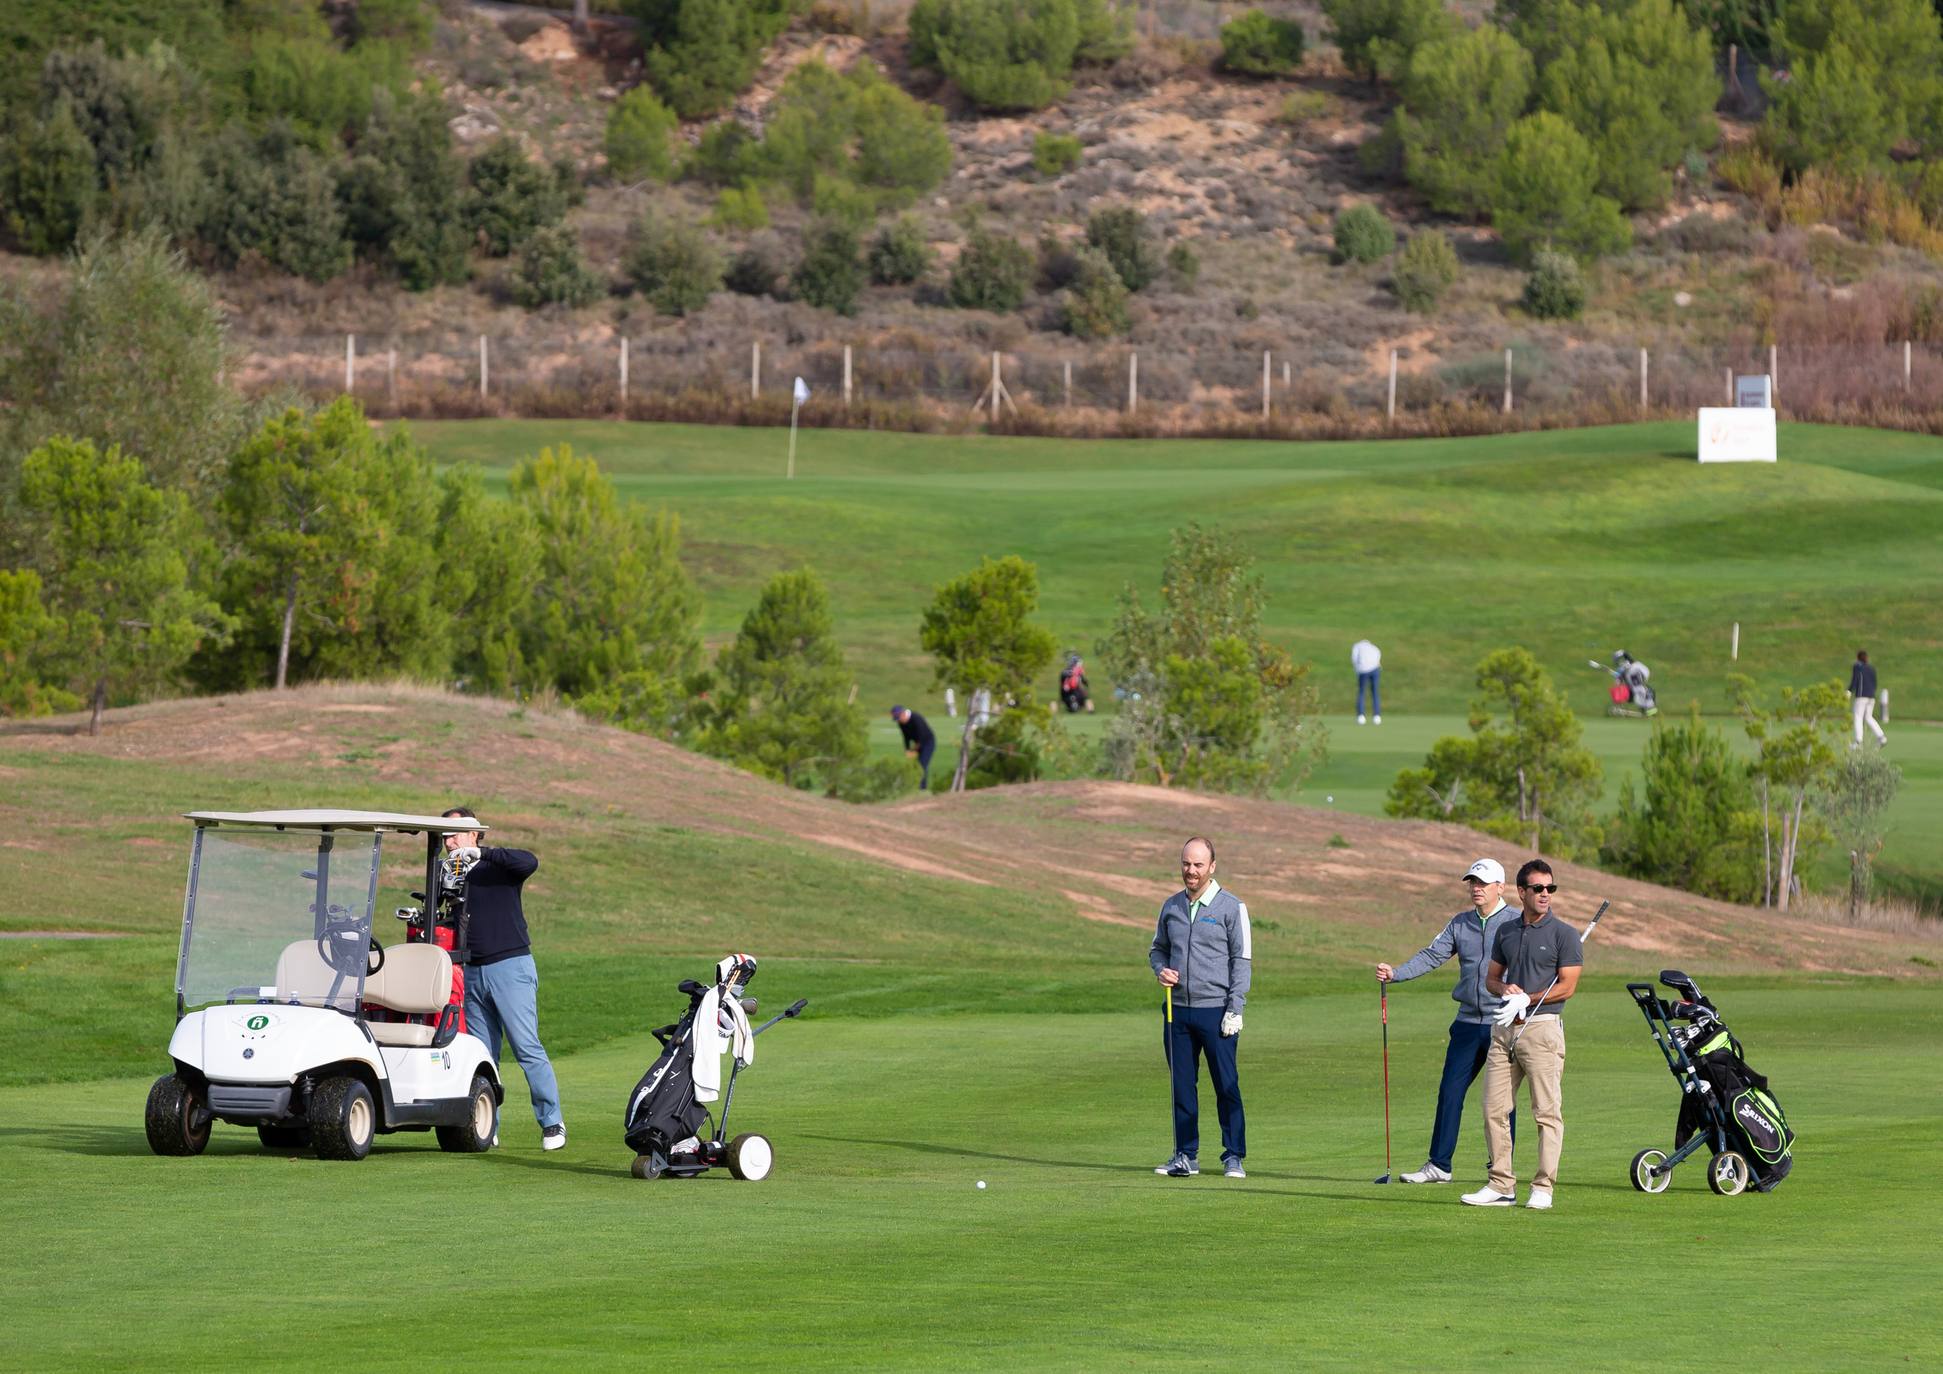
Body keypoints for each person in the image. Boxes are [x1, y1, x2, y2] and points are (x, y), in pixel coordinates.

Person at [1376, 858, 1514, 1184]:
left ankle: (1501, 1169)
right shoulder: (1460, 923)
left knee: (1501, 1101)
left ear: (1500, 887)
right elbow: (1431, 955)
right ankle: (1439, 1165)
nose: (1476, 888)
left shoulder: (1514, 923)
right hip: (1467, 1021)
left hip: (1503, 1022)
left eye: (1482, 883)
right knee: (1450, 1092)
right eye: (1472, 883)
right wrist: (1397, 973)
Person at [1463, 859, 1583, 1211]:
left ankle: (1543, 1186)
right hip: (1504, 1028)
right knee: (1493, 1109)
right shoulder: (1507, 932)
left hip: (1542, 1028)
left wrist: (1525, 999)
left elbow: (1567, 986)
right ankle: (1501, 1184)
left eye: (1551, 888)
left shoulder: (1565, 934)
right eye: (1538, 889)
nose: (1546, 894)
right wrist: (1505, 991)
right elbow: (1491, 979)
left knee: (1546, 1112)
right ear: (1521, 892)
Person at [443, 806, 566, 1151]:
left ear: (474, 834)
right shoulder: (451, 873)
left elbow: (529, 862)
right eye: (445, 836)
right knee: (483, 1055)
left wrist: (481, 854)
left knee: (527, 1047)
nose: (450, 841)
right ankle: (486, 1125)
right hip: (472, 970)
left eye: (455, 834)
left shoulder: (497, 865)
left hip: (510, 966)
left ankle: (552, 1122)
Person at [1149, 836, 1252, 1179]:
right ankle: (1185, 1155)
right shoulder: (1171, 906)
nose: (1190, 871)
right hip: (1176, 1009)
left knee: (1226, 1085)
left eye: (1197, 865)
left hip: (1217, 1010)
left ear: (1212, 867)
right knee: (1182, 1085)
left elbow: (1242, 960)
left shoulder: (1231, 907)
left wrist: (1235, 1008)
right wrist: (1160, 969)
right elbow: (1157, 950)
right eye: (1185, 864)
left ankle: (1234, 1154)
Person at [891, 705, 936, 789]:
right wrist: (907, 750)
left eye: (899, 718)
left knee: (922, 765)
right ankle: (914, 787)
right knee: (915, 766)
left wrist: (914, 750)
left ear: (903, 713)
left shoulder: (916, 718)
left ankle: (922, 789)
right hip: (917, 743)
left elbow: (922, 736)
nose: (899, 721)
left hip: (928, 743)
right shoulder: (901, 723)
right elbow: (906, 737)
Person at [1849, 650, 1886, 747]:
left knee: (1858, 717)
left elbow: (1855, 679)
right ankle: (1881, 737)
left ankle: (1858, 741)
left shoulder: (1857, 667)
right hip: (1871, 697)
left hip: (1861, 696)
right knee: (1868, 717)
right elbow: (1875, 683)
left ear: (1858, 658)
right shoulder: (1871, 668)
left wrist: (1849, 691)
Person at [1352, 639, 1382, 725]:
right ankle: (1377, 716)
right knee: (1375, 692)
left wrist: (1357, 669)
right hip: (1375, 669)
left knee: (1361, 692)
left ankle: (1361, 716)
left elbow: (1354, 658)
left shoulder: (1357, 646)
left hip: (1363, 670)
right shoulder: (1374, 647)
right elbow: (1378, 655)